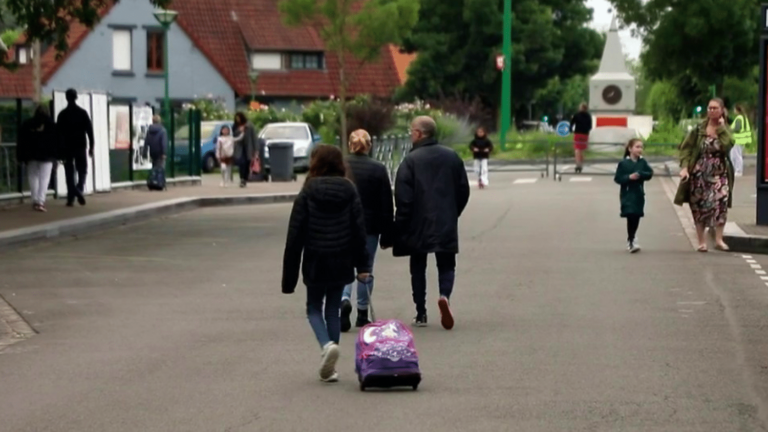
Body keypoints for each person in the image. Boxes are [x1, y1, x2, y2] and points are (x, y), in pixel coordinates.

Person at [282, 145, 371, 383]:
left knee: (313, 307)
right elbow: (359, 230)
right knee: (332, 308)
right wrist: (363, 266)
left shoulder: (308, 191)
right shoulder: (349, 189)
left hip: (316, 258)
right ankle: (331, 365)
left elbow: (295, 235)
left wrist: (289, 278)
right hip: (342, 258)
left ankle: (326, 345)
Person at [394, 116, 470, 330]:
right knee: (446, 264)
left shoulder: (410, 161)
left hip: (418, 222)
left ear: (418, 133)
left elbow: (403, 197)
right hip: (446, 219)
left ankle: (421, 312)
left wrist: (401, 224)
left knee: (418, 266)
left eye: (411, 131)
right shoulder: (452, 157)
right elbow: (463, 189)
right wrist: (453, 212)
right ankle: (444, 295)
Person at [340, 129, 394, 332]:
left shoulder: (341, 165)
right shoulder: (378, 169)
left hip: (343, 225)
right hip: (369, 227)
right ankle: (362, 314)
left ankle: (343, 299)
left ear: (349, 145)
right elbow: (386, 203)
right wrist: (388, 233)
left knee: (344, 266)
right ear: (369, 145)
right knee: (365, 269)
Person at [675, 98, 734, 252]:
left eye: (715, 108)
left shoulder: (725, 128)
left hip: (719, 173)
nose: (711, 111)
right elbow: (686, 148)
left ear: (721, 110)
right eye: (709, 108)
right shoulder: (699, 128)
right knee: (699, 206)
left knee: (721, 203)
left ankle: (719, 240)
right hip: (699, 173)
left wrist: (721, 129)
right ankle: (702, 242)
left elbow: (728, 145)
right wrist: (685, 167)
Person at [614, 138, 653, 253]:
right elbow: (618, 178)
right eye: (637, 147)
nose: (640, 149)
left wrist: (641, 174)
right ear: (630, 149)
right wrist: (628, 177)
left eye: (641, 147)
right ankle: (631, 240)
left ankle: (632, 237)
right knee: (630, 214)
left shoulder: (643, 162)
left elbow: (649, 174)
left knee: (636, 216)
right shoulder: (623, 163)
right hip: (627, 193)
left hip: (639, 193)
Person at [17, 104, 58, 212]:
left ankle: (34, 200)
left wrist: (21, 156)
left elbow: (21, 141)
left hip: (31, 155)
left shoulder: (27, 124)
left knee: (33, 177)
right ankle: (40, 201)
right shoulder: (51, 124)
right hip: (47, 156)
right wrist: (56, 158)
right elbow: (56, 142)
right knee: (44, 178)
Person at [57, 88, 94, 206]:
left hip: (67, 147)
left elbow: (58, 134)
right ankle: (79, 189)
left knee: (69, 172)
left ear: (66, 98)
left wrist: (59, 149)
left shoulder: (62, 114)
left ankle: (71, 197)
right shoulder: (82, 113)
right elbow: (89, 131)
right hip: (80, 145)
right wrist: (92, 146)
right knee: (82, 169)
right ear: (76, 97)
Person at [233, 112, 258, 188]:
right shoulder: (235, 126)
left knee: (247, 163)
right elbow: (233, 135)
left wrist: (256, 149)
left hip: (248, 147)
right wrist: (239, 131)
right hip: (239, 148)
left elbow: (254, 137)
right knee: (242, 163)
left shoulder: (249, 126)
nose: (238, 120)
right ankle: (242, 179)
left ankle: (245, 178)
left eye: (239, 118)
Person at [570, 103, 592, 173]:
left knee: (577, 149)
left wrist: (571, 130)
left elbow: (572, 123)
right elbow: (590, 126)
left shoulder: (577, 115)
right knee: (582, 150)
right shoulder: (588, 116)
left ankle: (577, 164)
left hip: (578, 134)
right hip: (585, 135)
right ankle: (581, 165)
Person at [729, 104, 751, 177]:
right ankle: (735, 170)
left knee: (736, 156)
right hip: (742, 140)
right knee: (734, 155)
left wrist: (730, 130)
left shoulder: (739, 118)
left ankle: (738, 171)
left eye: (734, 110)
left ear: (737, 110)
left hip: (738, 140)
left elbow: (737, 129)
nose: (734, 111)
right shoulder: (744, 118)